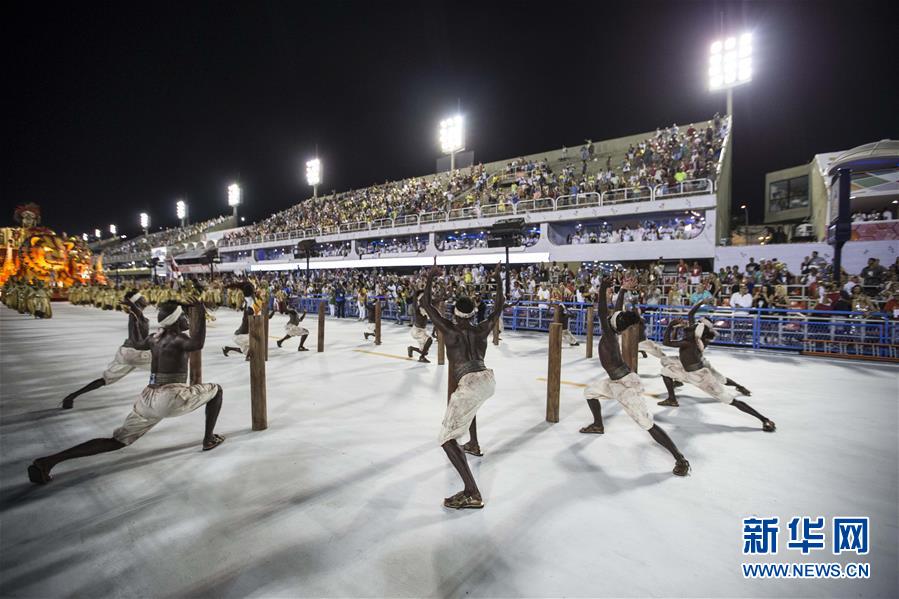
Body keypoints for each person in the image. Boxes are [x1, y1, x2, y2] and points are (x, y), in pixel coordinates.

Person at [28, 300, 225, 485]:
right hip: (170, 397)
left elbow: (136, 342)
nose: (187, 320)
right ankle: (208, 439)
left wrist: (137, 317)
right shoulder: (179, 338)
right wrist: (200, 311)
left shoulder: (154, 338)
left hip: (147, 399)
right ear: (175, 320)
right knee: (217, 391)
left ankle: (48, 462)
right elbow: (198, 344)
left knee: (117, 441)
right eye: (184, 317)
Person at [580, 277, 690, 477]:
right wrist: (621, 289)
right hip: (616, 381)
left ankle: (680, 458)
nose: (607, 317)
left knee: (646, 423)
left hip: (626, 385)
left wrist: (604, 286)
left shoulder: (609, 334)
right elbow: (616, 310)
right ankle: (598, 424)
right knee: (590, 392)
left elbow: (603, 310)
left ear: (612, 324)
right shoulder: (612, 331)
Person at [420, 263, 504, 509]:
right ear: (473, 313)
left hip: (469, 382)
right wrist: (498, 280)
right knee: (471, 407)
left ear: (455, 313)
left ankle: (472, 492)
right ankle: (474, 443)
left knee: (446, 439)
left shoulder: (450, 330)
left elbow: (426, 305)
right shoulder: (481, 329)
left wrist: (429, 279)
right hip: (488, 379)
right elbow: (498, 308)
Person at [658, 300, 776, 432]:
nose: (687, 326)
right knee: (665, 370)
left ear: (695, 332)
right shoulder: (694, 336)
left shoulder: (689, 341)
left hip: (701, 376)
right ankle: (672, 398)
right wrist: (701, 302)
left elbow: (667, 342)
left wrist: (670, 325)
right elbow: (691, 315)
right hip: (689, 372)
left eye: (689, 328)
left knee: (730, 400)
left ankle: (764, 419)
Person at [61, 290, 151, 409]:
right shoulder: (135, 314)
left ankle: (71, 397)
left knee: (105, 380)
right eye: (142, 298)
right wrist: (132, 306)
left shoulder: (137, 315)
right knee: (167, 365)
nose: (145, 299)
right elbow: (136, 314)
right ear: (137, 302)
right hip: (134, 353)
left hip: (129, 353)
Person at [222, 282, 256, 360]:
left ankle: (228, 348)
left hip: (241, 334)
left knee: (246, 349)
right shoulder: (249, 307)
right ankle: (247, 358)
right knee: (255, 343)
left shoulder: (249, 303)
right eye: (253, 290)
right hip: (241, 335)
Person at [407, 289, 433, 362]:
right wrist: (415, 291)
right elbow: (415, 300)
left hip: (422, 330)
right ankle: (422, 357)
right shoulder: (417, 307)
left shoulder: (426, 307)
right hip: (417, 330)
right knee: (429, 340)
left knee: (425, 351)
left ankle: (411, 348)